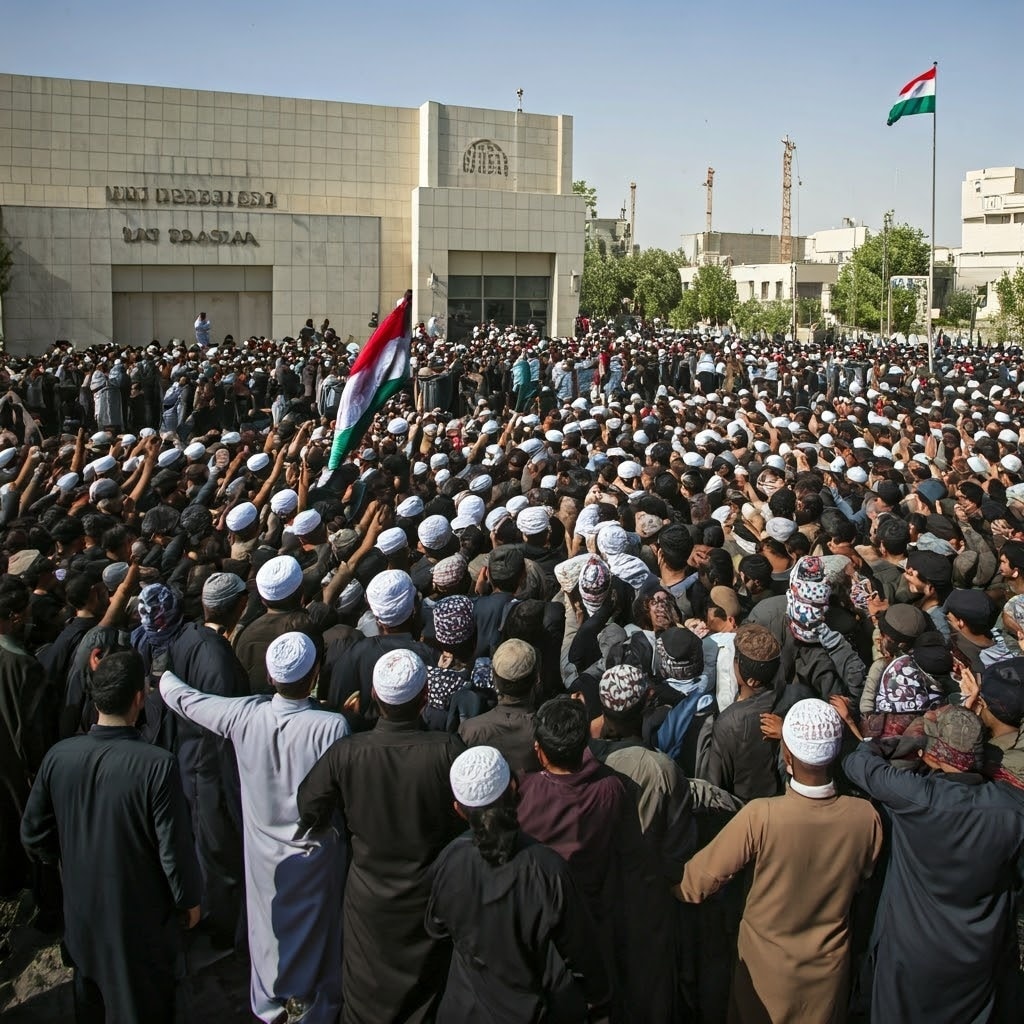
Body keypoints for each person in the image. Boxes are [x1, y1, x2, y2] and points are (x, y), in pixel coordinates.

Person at [160, 631, 349, 1024]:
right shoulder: (331, 726)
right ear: (314, 673)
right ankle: (312, 1009)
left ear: (270, 675)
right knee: (317, 937)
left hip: (262, 852)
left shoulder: (244, 715)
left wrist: (162, 675)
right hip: (314, 852)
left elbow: (190, 702)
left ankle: (270, 1006)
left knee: (267, 934)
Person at [20, 650, 201, 1024]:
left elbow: (33, 834)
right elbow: (174, 850)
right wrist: (188, 901)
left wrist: (74, 856)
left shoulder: (59, 755)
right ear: (140, 697)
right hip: (139, 924)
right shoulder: (156, 765)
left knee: (90, 1003)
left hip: (82, 916)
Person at [678, 699, 883, 1024]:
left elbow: (696, 883)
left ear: (787, 755)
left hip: (763, 979)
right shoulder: (866, 817)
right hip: (827, 981)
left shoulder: (761, 816)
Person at [297, 648, 466, 1023]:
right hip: (428, 898)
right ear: (424, 698)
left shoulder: (347, 752)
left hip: (369, 900)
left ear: (374, 695)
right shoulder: (447, 750)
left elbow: (309, 808)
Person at [844, 703, 1024, 1024]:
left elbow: (858, 764)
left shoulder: (917, 798)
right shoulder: (1012, 810)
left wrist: (883, 745)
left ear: (935, 752)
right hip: (978, 958)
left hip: (909, 957)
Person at [426, 746, 610, 1022]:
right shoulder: (548, 869)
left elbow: (436, 927)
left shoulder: (448, 861)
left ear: (460, 810)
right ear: (514, 787)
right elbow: (582, 956)